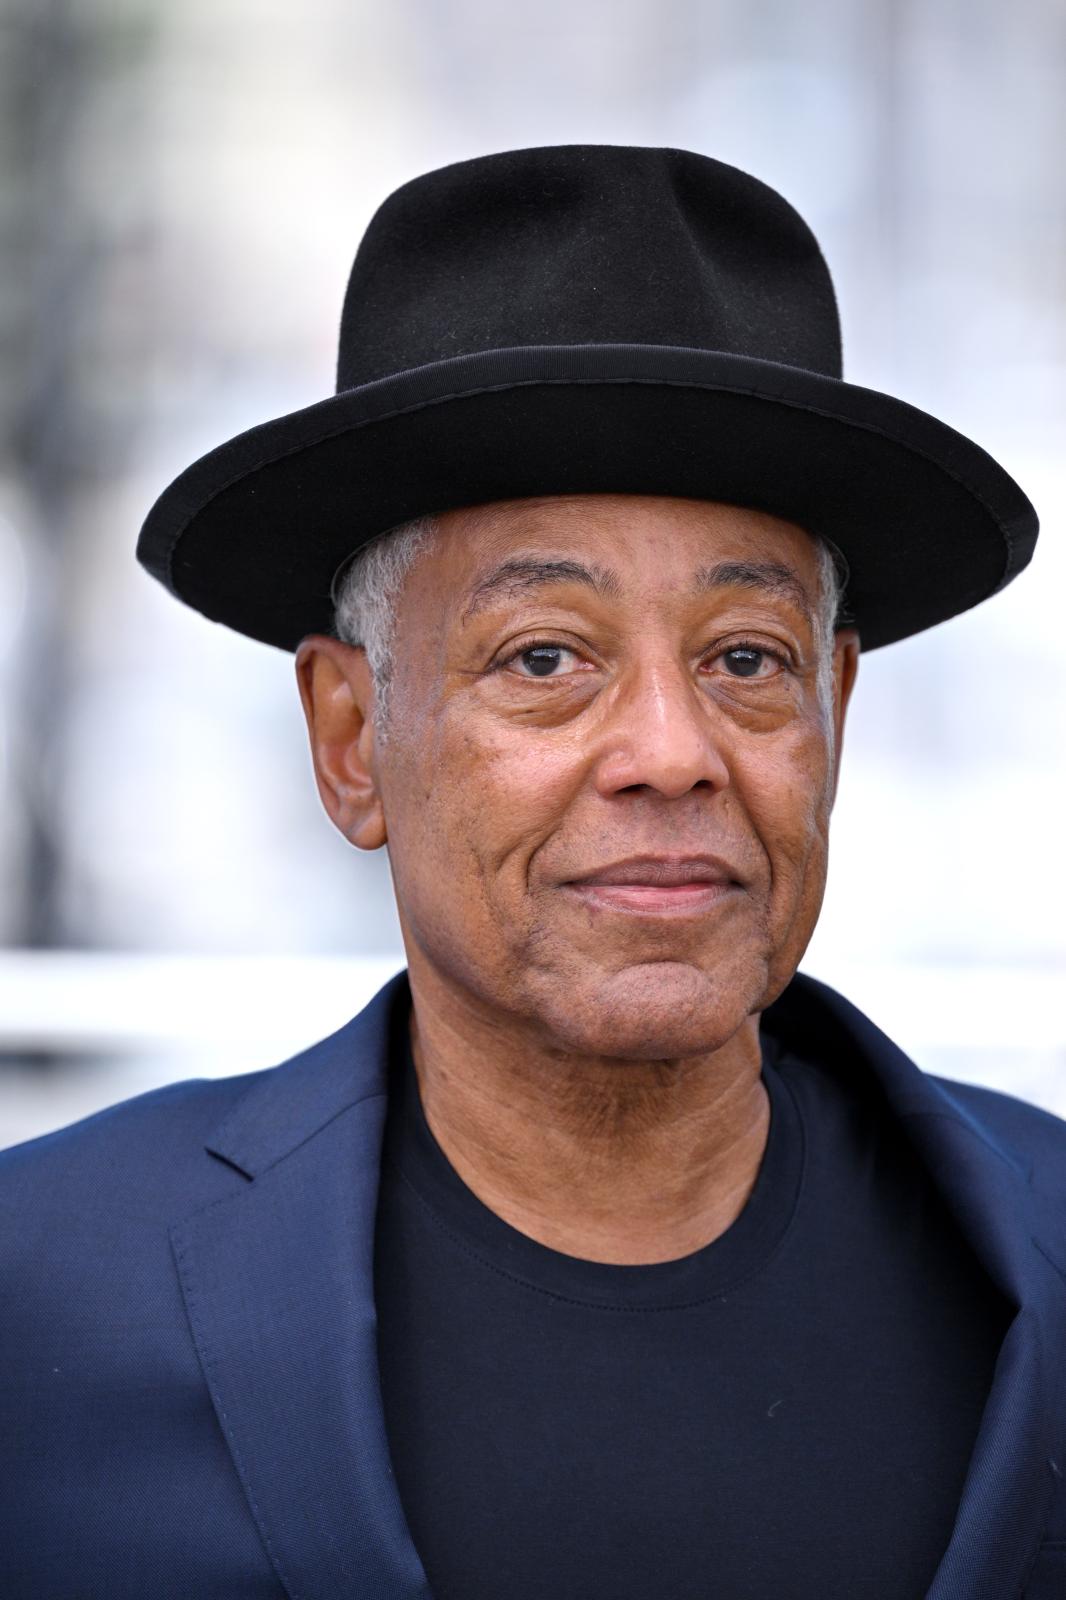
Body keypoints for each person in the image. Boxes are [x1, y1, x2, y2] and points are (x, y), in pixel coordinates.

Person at [1, 144, 1064, 1600]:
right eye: (546, 657)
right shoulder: (43, 1296)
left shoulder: (1043, 1255)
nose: (671, 753)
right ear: (351, 738)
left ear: (835, 711)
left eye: (746, 661)